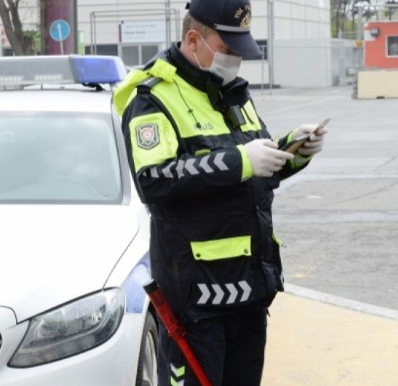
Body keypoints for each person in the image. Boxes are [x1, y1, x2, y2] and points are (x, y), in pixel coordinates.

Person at [113, 1, 328, 385]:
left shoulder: (232, 94)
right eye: (228, 50)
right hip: (197, 304)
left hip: (249, 294)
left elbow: (259, 173)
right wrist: (241, 161)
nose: (236, 60)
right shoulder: (152, 98)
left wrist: (294, 151)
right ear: (194, 40)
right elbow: (154, 180)